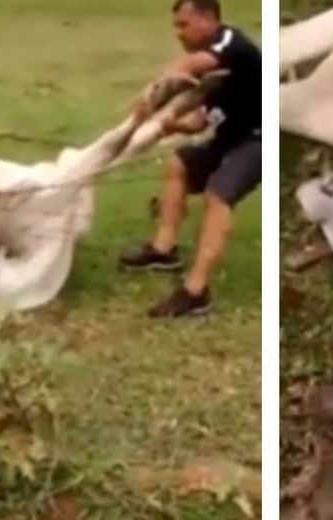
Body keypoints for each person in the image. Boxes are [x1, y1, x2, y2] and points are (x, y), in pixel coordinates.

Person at [120, 0, 261, 318]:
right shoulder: (215, 70)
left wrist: (151, 96)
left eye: (184, 24)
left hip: (260, 139)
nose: (178, 33)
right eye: (176, 26)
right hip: (229, 139)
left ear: (208, 19)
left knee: (218, 195)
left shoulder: (229, 43)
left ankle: (196, 292)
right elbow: (202, 119)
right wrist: (173, 126)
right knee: (179, 164)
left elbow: (184, 68)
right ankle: (163, 249)